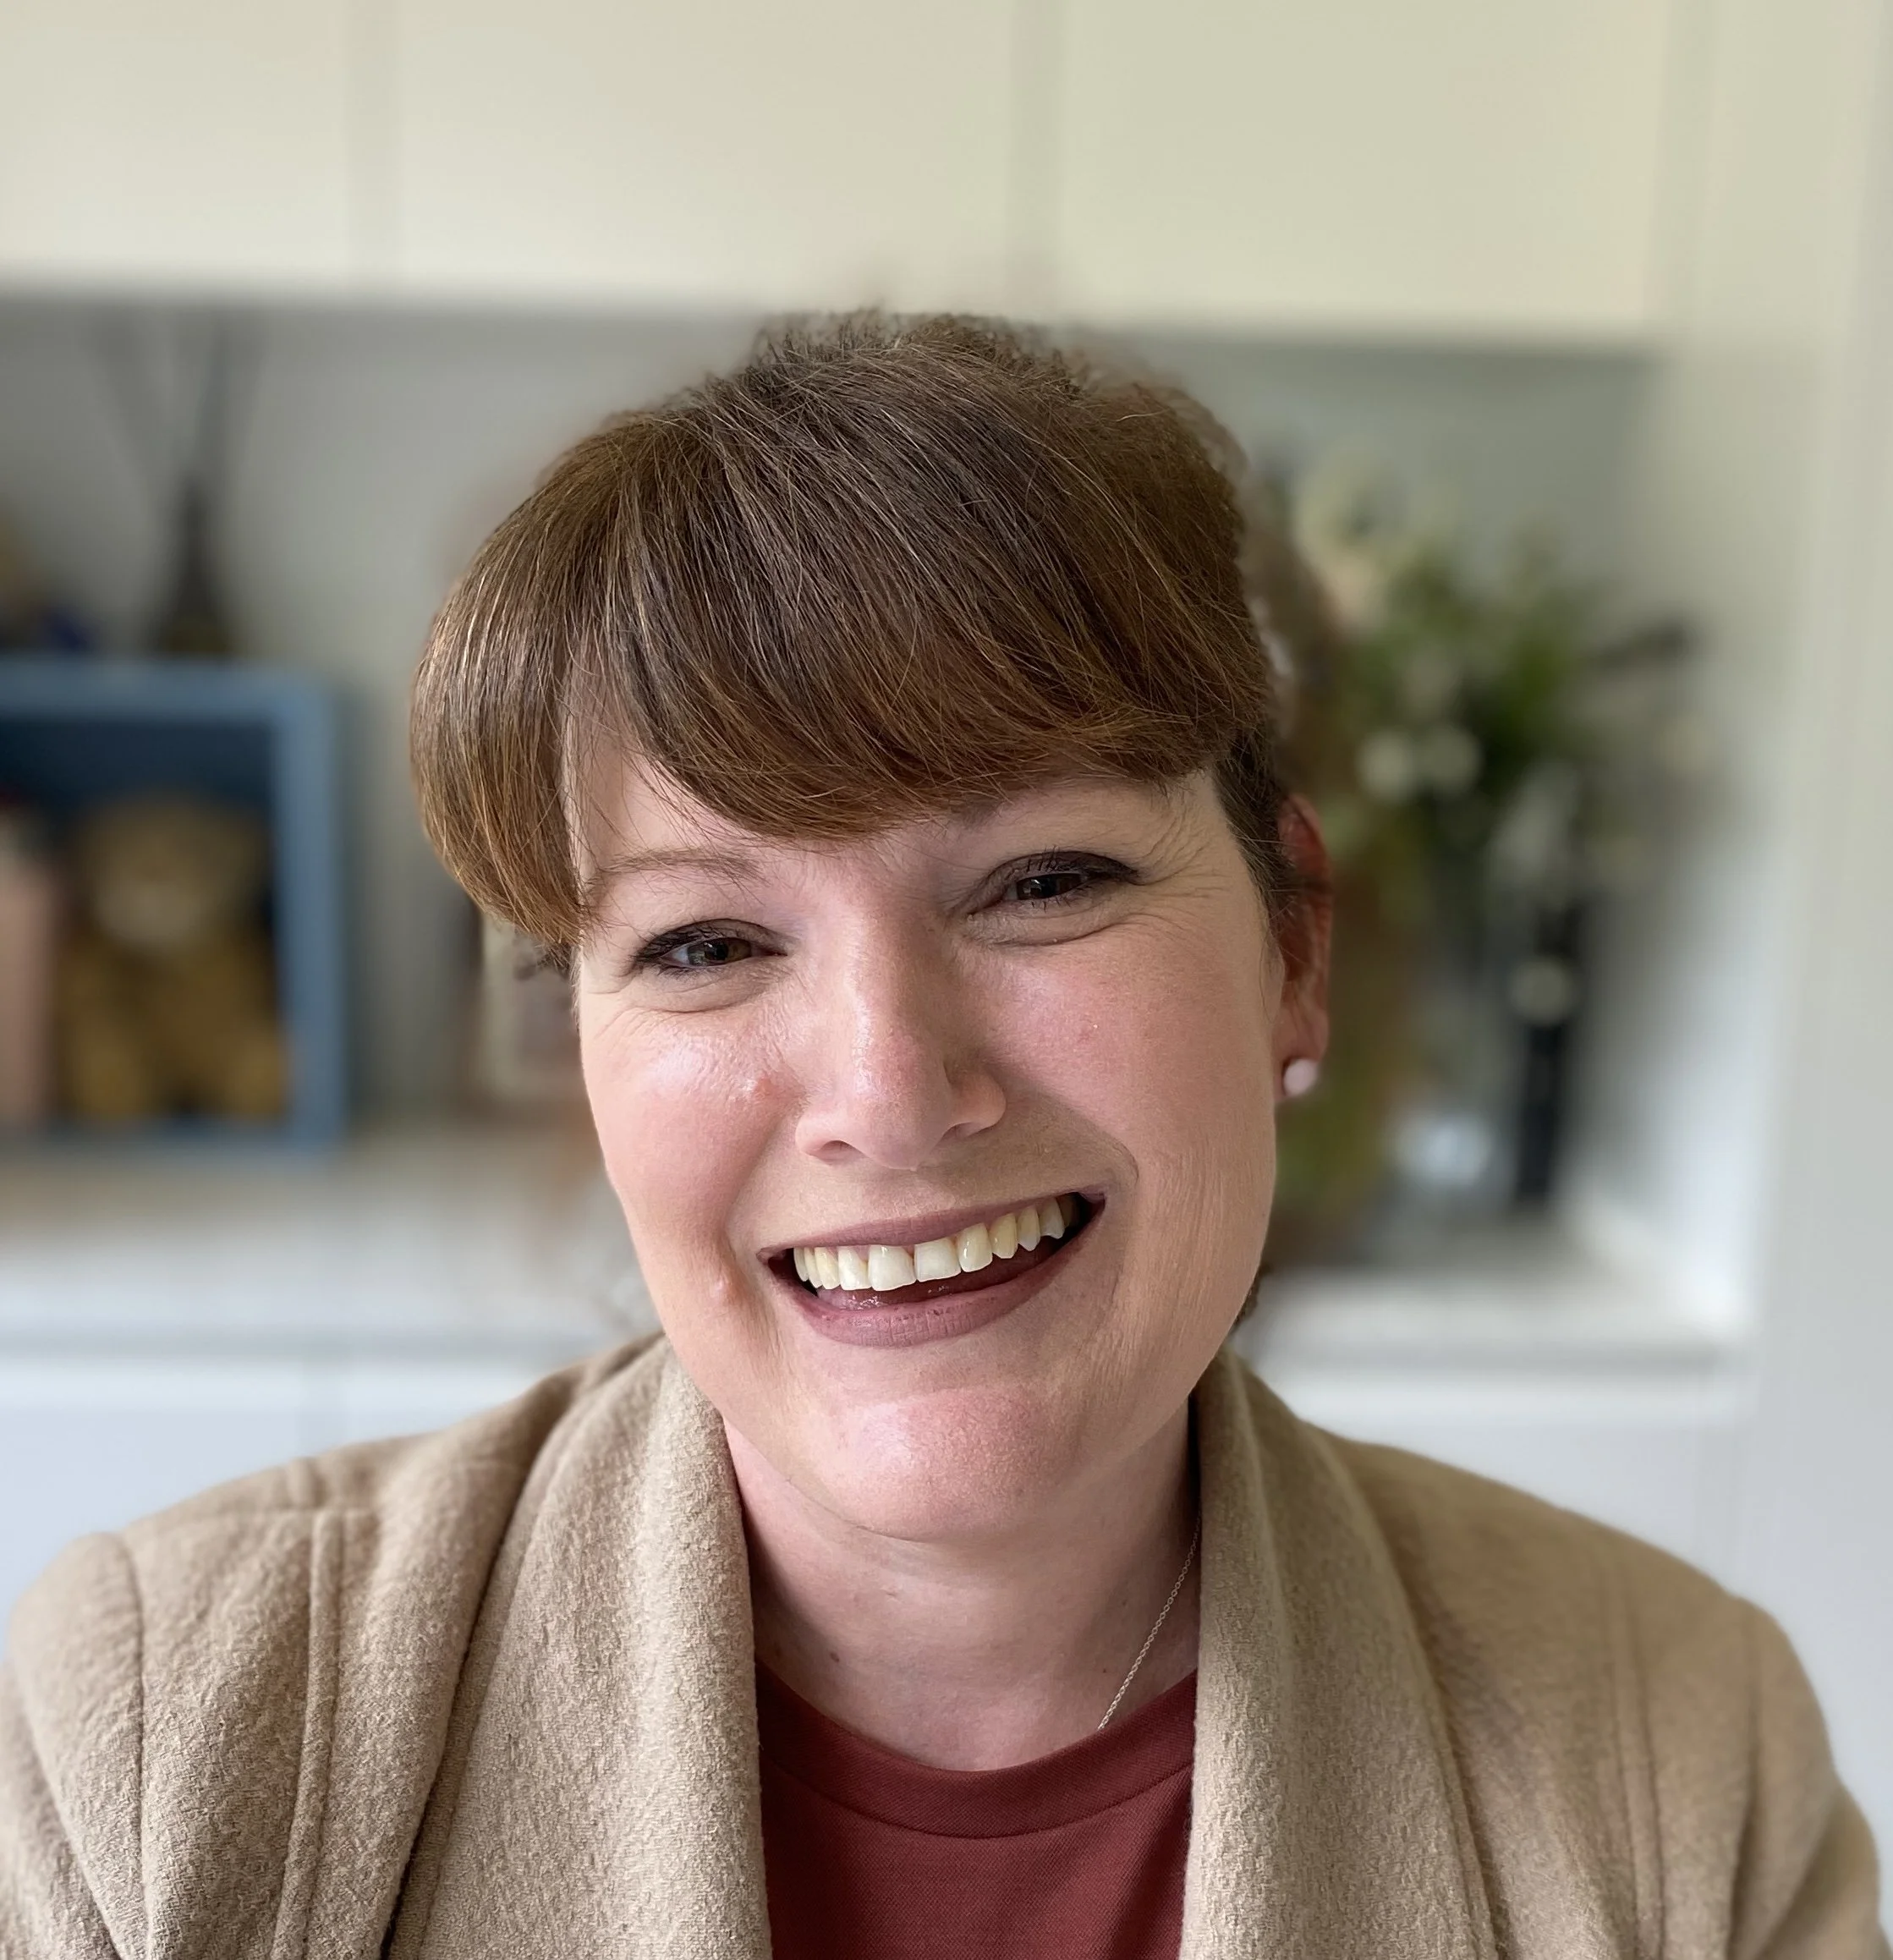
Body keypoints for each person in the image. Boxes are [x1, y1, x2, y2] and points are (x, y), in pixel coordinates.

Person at [1, 314, 1884, 1960]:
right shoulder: (158, 1737)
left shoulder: (1680, 1763)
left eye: (1044, 882)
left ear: (1291, 948)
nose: (890, 1091)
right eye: (707, 941)